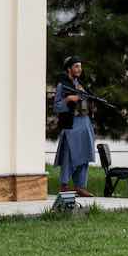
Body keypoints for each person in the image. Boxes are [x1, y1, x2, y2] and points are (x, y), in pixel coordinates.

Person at [52, 56, 96, 197]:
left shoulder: (81, 85)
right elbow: (57, 107)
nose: (79, 69)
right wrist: (68, 99)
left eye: (80, 66)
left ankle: (80, 186)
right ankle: (64, 185)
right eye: (76, 66)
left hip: (85, 123)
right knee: (69, 155)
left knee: (85, 154)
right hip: (72, 124)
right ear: (69, 68)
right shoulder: (62, 85)